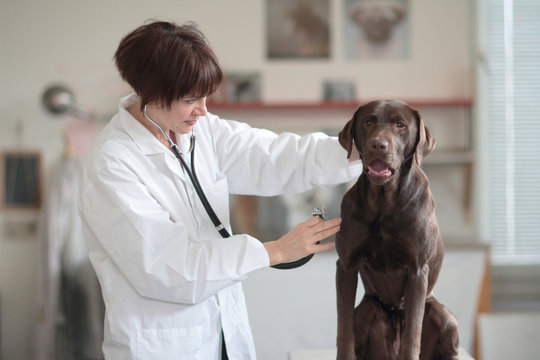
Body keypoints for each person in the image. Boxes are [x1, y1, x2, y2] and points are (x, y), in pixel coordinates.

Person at [78, 20, 362, 360]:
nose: (204, 109)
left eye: (205, 97)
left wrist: (362, 148)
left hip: (224, 335)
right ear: (150, 93)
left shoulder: (200, 131)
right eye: (190, 99)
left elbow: (277, 156)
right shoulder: (113, 164)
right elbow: (168, 269)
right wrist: (274, 251)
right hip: (164, 346)